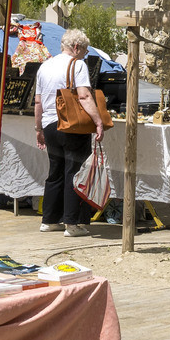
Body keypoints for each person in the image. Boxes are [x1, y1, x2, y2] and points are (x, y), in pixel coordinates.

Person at [33, 27, 104, 237]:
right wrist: (98, 121)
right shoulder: (78, 65)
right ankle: (72, 223)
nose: (85, 55)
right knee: (75, 172)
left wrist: (38, 128)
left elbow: (38, 102)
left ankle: (49, 220)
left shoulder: (45, 66)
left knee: (55, 172)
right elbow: (84, 96)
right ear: (76, 47)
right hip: (71, 126)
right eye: (85, 50)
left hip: (49, 124)